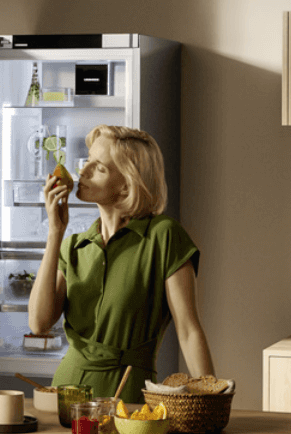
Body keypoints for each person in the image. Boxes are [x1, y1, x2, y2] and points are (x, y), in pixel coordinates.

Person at [26, 125, 213, 404]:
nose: (83, 171)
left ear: (126, 183)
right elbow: (39, 324)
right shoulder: (75, 245)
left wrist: (213, 400)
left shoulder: (163, 236)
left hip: (128, 394)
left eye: (99, 168)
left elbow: (188, 331)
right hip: (67, 395)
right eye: (87, 160)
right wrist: (55, 232)